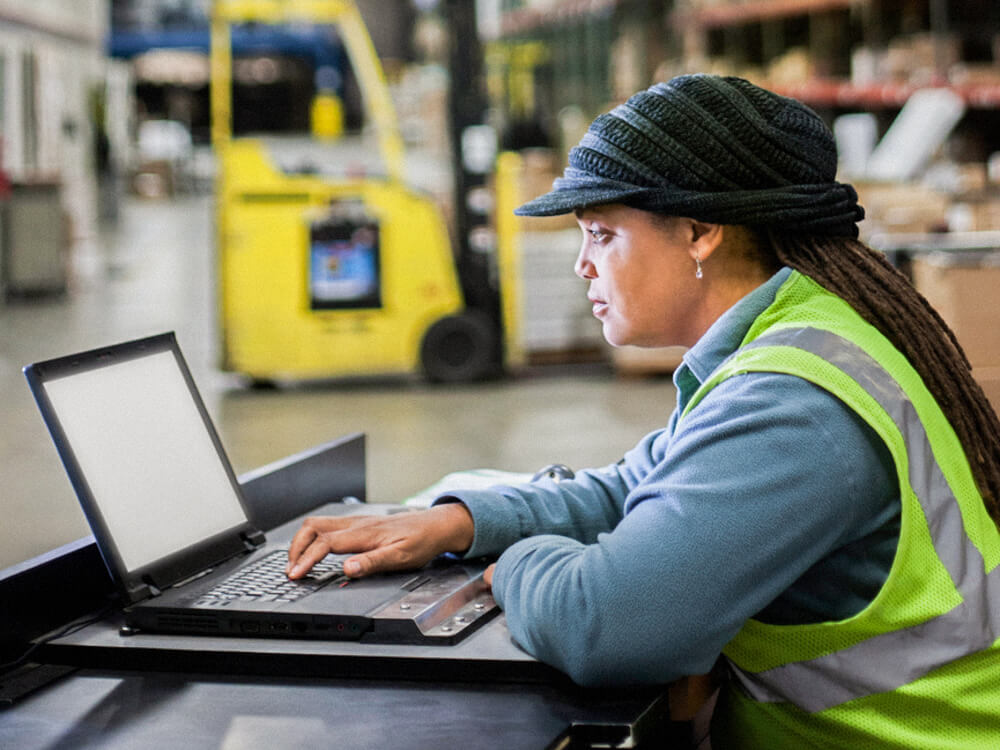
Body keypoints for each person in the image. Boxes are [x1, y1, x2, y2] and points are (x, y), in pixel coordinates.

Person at [286, 74, 1000, 748]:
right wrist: (462, 521)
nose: (582, 264)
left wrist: (515, 567)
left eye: (602, 233)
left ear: (699, 233)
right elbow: (634, 489)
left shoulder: (793, 403)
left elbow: (610, 625)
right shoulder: (798, 339)